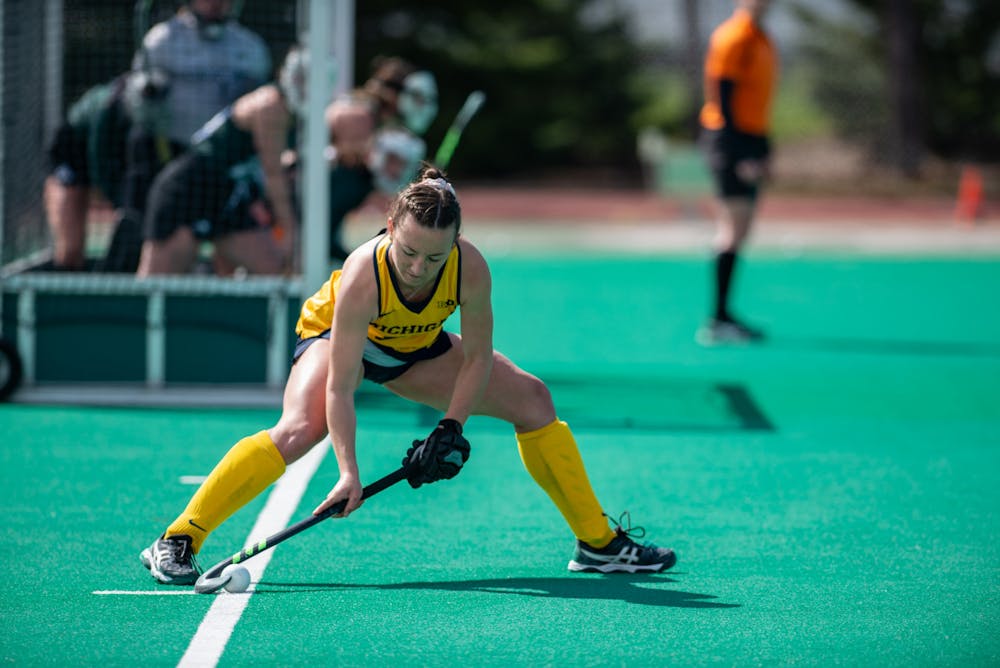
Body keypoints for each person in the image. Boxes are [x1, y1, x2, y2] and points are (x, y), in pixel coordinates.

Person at [140, 166, 676, 584]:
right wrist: (348, 473)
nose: (419, 268)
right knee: (301, 429)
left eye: (434, 256)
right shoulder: (362, 276)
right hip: (339, 340)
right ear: (391, 226)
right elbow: (341, 386)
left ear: (457, 242)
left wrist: (451, 428)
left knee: (534, 401)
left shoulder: (471, 267)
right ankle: (179, 538)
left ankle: (597, 544)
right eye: (409, 251)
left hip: (414, 351)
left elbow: (477, 359)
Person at [103, 0, 272, 272]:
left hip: (223, 173)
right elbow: (135, 106)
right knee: (159, 269)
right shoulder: (162, 41)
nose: (217, 4)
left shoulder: (250, 49)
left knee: (272, 264)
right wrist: (145, 95)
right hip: (173, 170)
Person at [136, 47, 302, 276]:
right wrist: (290, 229)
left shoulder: (301, 114)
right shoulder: (271, 105)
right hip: (188, 189)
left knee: (277, 270)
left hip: (226, 194)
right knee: (156, 284)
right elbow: (273, 173)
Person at [697, 0, 778, 345]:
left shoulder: (761, 38)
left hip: (749, 140)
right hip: (729, 142)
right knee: (731, 227)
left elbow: (757, 102)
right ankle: (718, 319)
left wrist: (764, 149)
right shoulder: (732, 38)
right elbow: (725, 98)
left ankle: (724, 315)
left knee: (741, 229)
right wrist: (741, 152)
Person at [42, 71, 167, 270]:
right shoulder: (107, 112)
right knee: (70, 249)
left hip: (103, 156)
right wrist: (121, 205)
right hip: (71, 153)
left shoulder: (157, 121)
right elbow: (100, 166)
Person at [323, 56, 439, 261]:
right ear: (395, 94)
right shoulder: (359, 114)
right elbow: (348, 160)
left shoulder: (382, 121)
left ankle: (327, 240)